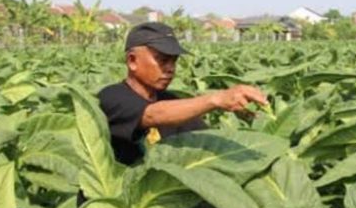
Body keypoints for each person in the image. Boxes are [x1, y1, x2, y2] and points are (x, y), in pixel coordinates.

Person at [97, 21, 268, 166]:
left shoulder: (172, 101)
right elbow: (152, 114)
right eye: (162, 60)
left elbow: (205, 139)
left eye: (174, 61)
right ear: (132, 61)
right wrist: (217, 99)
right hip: (118, 199)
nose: (170, 68)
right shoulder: (111, 97)